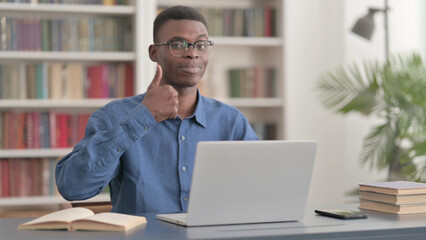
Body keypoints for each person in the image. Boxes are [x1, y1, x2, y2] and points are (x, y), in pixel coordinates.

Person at [55, 5, 258, 214]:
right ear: (154, 53)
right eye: (178, 44)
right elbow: (73, 187)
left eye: (201, 44)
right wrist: (143, 117)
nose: (192, 53)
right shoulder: (113, 116)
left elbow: (262, 188)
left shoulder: (231, 122)